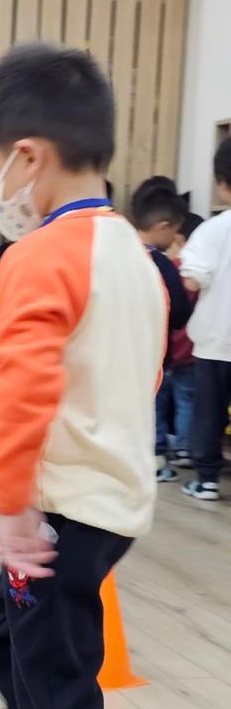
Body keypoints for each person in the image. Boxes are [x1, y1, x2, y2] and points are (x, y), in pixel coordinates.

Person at [0, 43, 165, 709]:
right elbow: (136, 378)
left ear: (28, 156)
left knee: (54, 676)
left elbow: (21, 389)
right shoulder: (134, 255)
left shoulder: (40, 254)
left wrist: (12, 507)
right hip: (107, 503)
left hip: (53, 510)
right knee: (7, 638)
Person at [130, 177, 194, 482]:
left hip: (114, 353)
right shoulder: (162, 265)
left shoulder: (113, 254)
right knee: (152, 406)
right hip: (153, 354)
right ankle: (153, 461)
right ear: (164, 226)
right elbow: (180, 314)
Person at [180, 136, 231, 501]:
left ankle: (208, 479)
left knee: (209, 411)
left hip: (216, 338)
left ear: (221, 183)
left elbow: (192, 279)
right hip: (214, 339)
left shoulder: (213, 229)